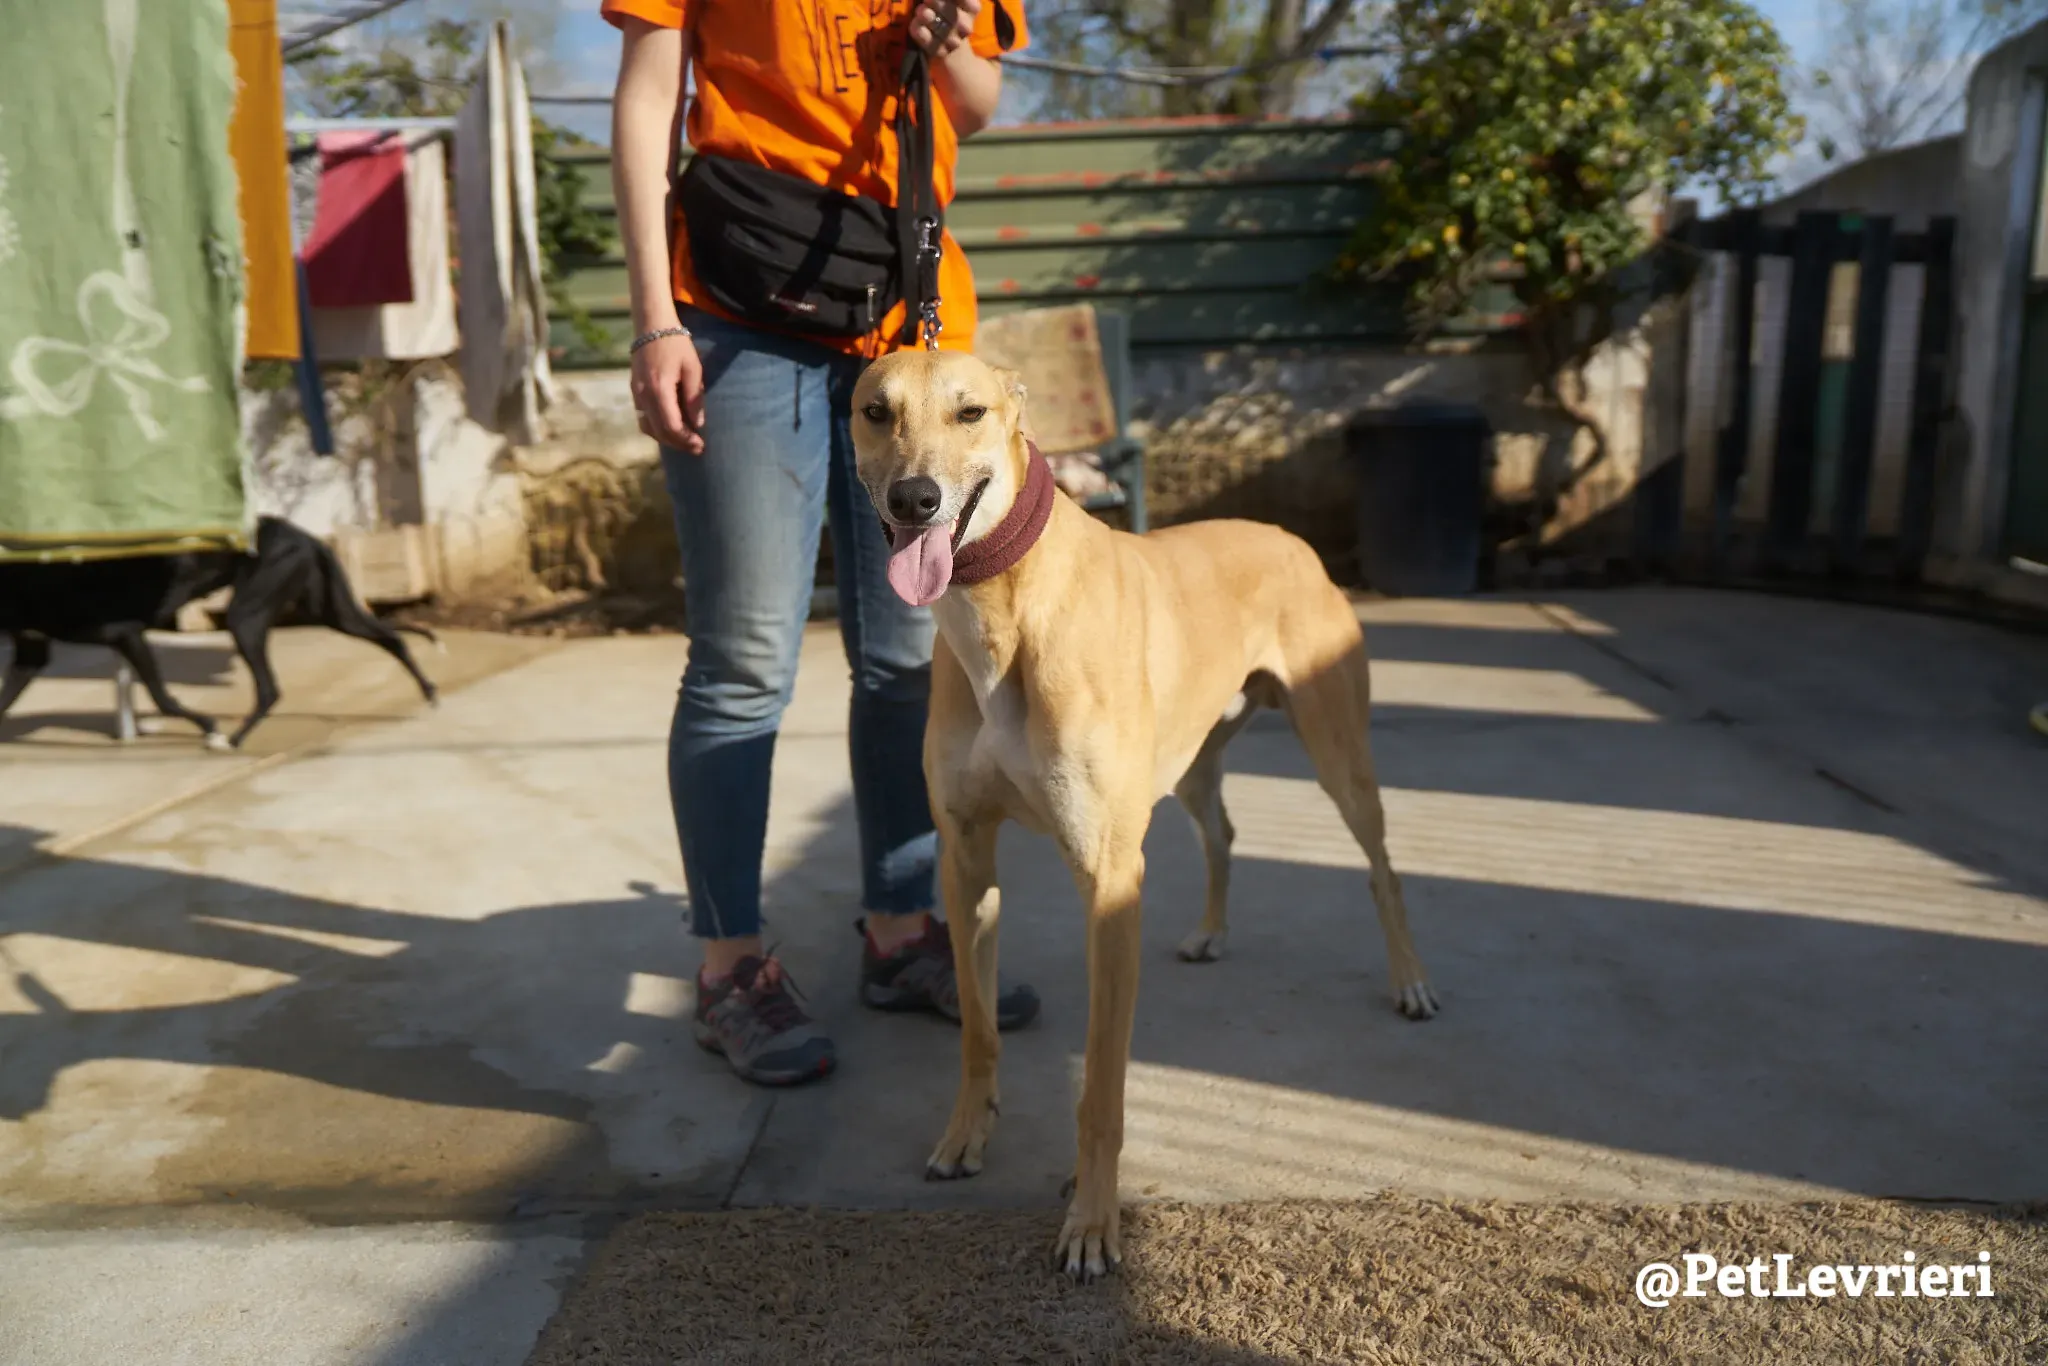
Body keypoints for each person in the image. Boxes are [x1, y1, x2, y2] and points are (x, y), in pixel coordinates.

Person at [605, 0, 1039, 1085]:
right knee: (745, 661)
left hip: (904, 311)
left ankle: (901, 930)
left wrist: (946, 39)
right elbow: (649, 98)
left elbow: (976, 105)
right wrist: (654, 318)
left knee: (905, 657)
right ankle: (729, 967)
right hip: (740, 310)